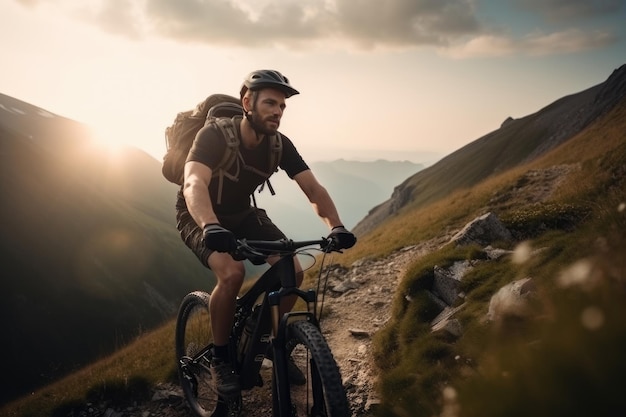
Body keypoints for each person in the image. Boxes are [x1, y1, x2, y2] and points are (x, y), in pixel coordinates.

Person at [175, 69, 356, 398]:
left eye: (282, 106)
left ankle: (262, 333)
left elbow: (312, 188)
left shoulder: (279, 145)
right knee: (232, 273)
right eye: (270, 103)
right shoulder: (214, 136)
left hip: (243, 213)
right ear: (247, 102)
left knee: (293, 271)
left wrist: (336, 226)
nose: (277, 111)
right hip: (198, 214)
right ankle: (219, 358)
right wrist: (210, 225)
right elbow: (193, 183)